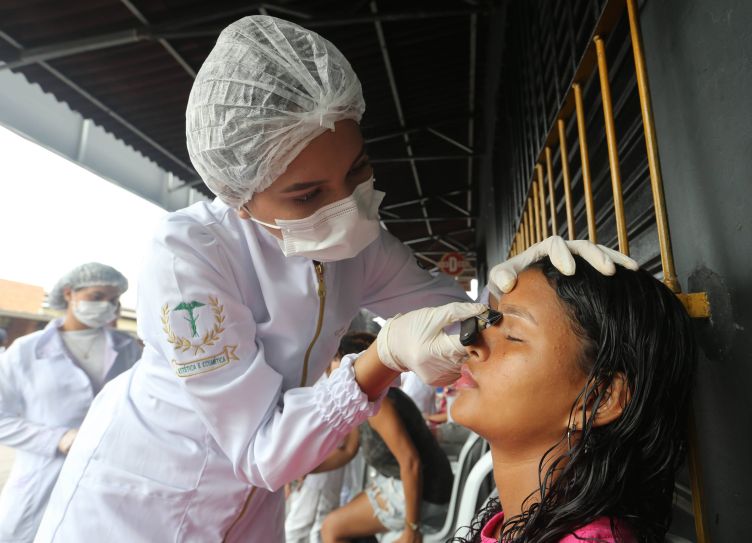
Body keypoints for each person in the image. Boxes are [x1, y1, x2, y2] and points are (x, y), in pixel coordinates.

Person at [35, 16, 634, 542]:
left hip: (252, 513)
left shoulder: (357, 248)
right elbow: (261, 452)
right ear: (240, 198)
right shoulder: (190, 254)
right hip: (141, 501)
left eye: (358, 169)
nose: (347, 205)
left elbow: (459, 319)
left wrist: (526, 280)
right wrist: (381, 359)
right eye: (306, 194)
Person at [450, 259, 697, 542]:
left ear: (598, 398)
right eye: (488, 323)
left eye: (513, 336)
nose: (471, 343)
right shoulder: (510, 523)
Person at [0, 263, 141, 543]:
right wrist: (60, 438)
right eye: (97, 296)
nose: (106, 305)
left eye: (113, 300)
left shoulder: (130, 349)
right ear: (69, 294)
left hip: (110, 478)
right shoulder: (26, 350)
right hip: (41, 480)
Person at [320, 389, 453, 543]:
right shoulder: (364, 400)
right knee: (345, 518)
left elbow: (411, 463)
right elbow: (348, 451)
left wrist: (412, 529)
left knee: (331, 528)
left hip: (426, 490)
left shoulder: (380, 405)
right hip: (408, 481)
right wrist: (301, 469)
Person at [284, 332, 375, 543]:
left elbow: (348, 448)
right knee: (305, 523)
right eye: (335, 359)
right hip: (317, 464)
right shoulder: (324, 384)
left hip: (323, 464)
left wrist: (301, 467)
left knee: (309, 524)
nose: (336, 364)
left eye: (339, 359)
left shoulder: (336, 386)